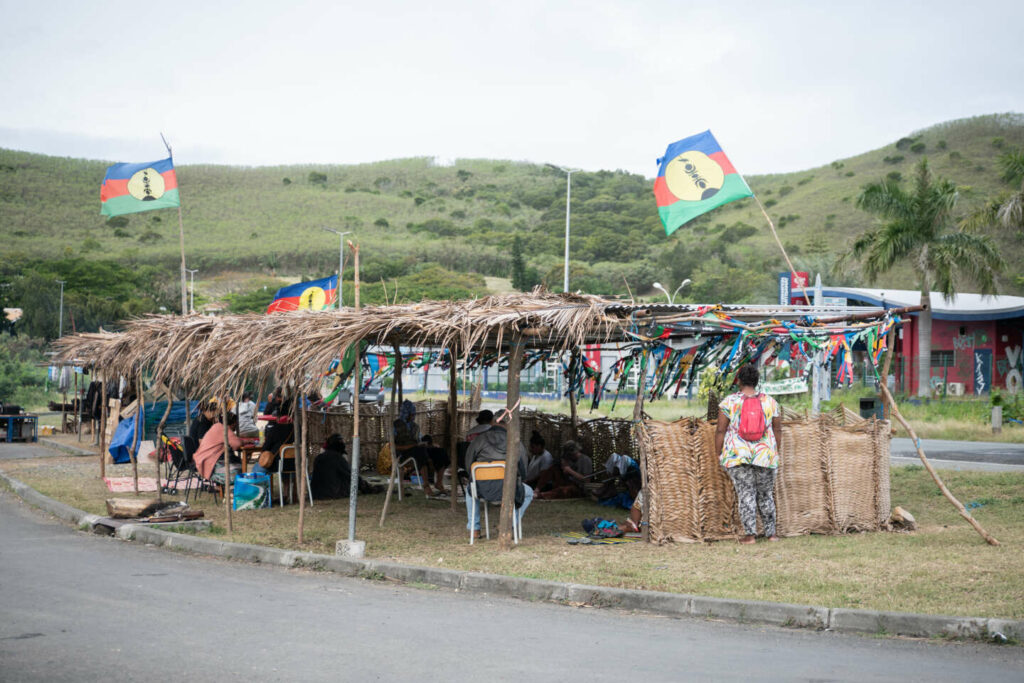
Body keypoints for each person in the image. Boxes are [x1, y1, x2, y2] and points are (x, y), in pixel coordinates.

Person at [715, 363, 782, 545]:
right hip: (765, 455)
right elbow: (777, 429)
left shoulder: (729, 402)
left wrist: (718, 453)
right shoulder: (770, 402)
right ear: (757, 381)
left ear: (739, 381)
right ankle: (771, 534)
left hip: (738, 454)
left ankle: (750, 535)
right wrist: (774, 451)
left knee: (746, 493)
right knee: (766, 494)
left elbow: (720, 430)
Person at [464, 420, 533, 539]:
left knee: (470, 490)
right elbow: (523, 470)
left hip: (482, 489)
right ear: (508, 424)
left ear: (492, 423)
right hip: (509, 489)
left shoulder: (478, 440)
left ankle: (474, 528)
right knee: (529, 493)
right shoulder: (515, 441)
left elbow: (468, 464)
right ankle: (508, 524)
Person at [393, 400, 447, 496]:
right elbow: (393, 446)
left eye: (414, 413)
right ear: (406, 413)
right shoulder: (395, 425)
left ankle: (439, 483)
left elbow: (418, 441)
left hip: (417, 449)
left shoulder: (415, 426)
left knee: (440, 452)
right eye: (411, 414)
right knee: (420, 452)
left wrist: (429, 445)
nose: (413, 416)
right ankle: (426, 485)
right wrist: (411, 446)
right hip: (402, 453)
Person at [311, 434, 379, 499]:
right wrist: (368, 488)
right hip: (333, 493)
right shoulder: (337, 458)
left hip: (316, 494)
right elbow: (350, 476)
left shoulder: (319, 457)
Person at [192, 411, 243, 484]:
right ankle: (222, 486)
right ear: (234, 423)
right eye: (236, 423)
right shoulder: (225, 429)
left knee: (235, 460)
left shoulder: (216, 426)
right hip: (210, 465)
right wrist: (245, 442)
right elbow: (237, 444)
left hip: (202, 461)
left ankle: (218, 487)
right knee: (240, 467)